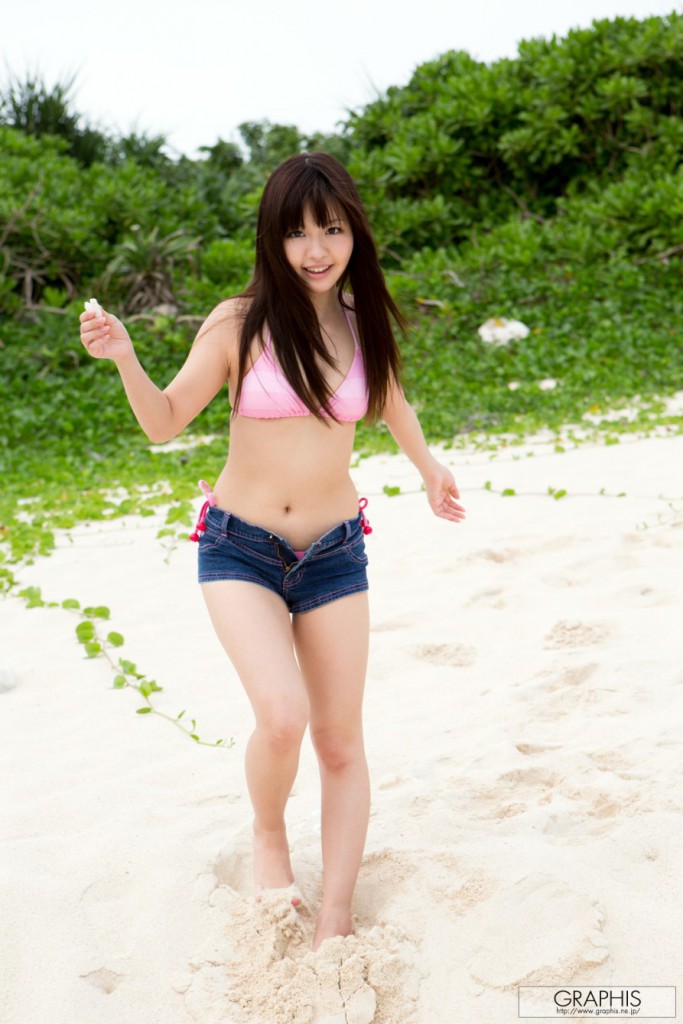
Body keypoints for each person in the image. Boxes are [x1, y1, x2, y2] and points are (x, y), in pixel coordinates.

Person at [79, 152, 465, 951]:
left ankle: (335, 915)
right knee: (283, 718)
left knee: (339, 741)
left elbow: (391, 401)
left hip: (333, 552)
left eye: (331, 229)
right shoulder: (238, 323)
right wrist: (124, 357)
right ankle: (268, 834)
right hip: (240, 549)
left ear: (353, 232)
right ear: (272, 239)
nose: (315, 249)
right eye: (296, 232)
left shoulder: (361, 323)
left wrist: (429, 469)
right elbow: (163, 423)